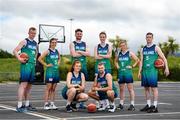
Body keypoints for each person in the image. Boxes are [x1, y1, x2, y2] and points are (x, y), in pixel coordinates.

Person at [138, 32, 169, 113]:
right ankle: (148, 105)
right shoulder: (143, 48)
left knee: (154, 89)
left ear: (152, 38)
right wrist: (139, 71)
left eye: (150, 37)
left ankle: (155, 106)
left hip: (152, 71)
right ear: (146, 38)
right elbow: (141, 61)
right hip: (145, 71)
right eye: (147, 37)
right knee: (146, 88)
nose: (148, 38)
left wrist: (166, 68)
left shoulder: (156, 48)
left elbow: (164, 58)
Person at [13, 27, 38, 112]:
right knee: (23, 85)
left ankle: (27, 104)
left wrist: (34, 61)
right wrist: (19, 58)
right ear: (28, 33)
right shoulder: (24, 41)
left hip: (32, 65)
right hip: (25, 65)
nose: (33, 35)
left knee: (29, 86)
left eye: (34, 33)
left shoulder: (35, 43)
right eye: (31, 33)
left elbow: (35, 53)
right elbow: (15, 51)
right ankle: (19, 106)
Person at [115, 40, 139, 111]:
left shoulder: (129, 53)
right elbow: (115, 61)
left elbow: (137, 60)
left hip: (128, 73)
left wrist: (132, 66)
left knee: (130, 89)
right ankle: (121, 104)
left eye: (124, 45)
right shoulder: (119, 54)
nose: (123, 46)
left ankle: (132, 105)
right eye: (121, 45)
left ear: (126, 46)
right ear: (120, 46)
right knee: (121, 89)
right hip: (121, 74)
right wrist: (117, 66)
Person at [69, 28, 90, 109]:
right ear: (75, 34)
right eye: (78, 34)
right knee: (74, 83)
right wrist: (83, 53)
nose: (79, 35)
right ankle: (72, 102)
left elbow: (88, 54)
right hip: (75, 66)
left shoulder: (85, 44)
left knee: (82, 84)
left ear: (82, 34)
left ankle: (81, 103)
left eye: (80, 34)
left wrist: (80, 52)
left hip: (83, 66)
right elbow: (74, 55)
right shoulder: (72, 43)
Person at [38, 38, 60, 110]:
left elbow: (59, 58)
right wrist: (46, 65)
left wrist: (58, 63)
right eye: (52, 42)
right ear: (50, 43)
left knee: (53, 89)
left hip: (56, 72)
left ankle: (52, 104)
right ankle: (46, 104)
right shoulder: (47, 51)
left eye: (55, 42)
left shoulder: (57, 51)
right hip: (50, 72)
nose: (54, 43)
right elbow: (39, 59)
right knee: (48, 88)